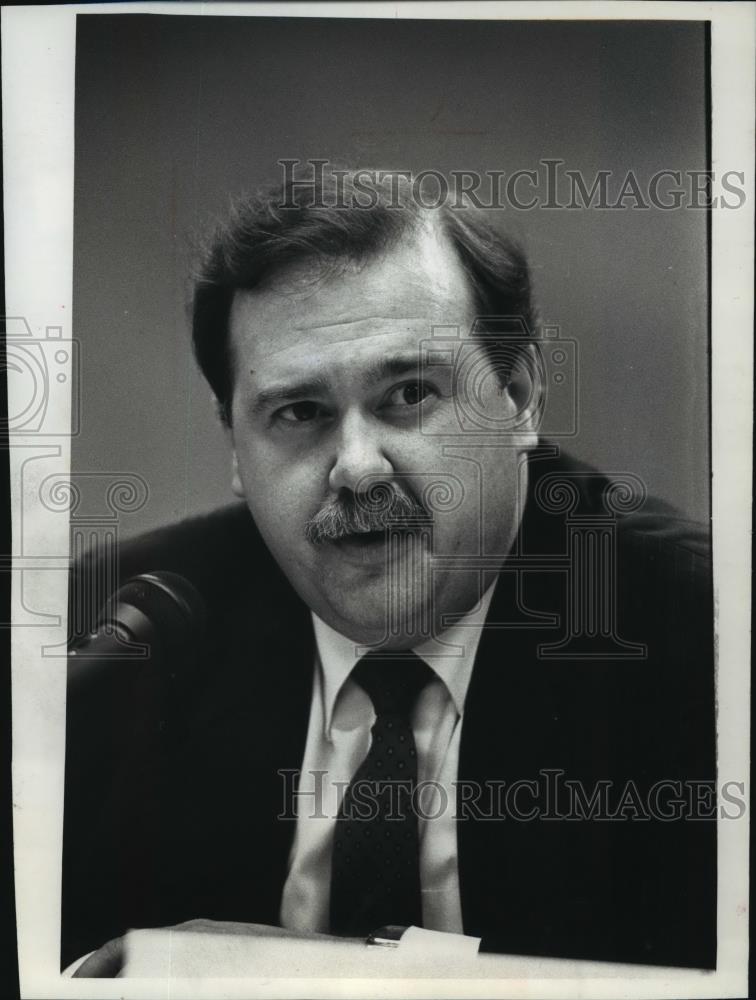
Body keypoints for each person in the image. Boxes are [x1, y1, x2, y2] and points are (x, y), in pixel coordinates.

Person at [62, 170, 716, 975]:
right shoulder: (122, 632)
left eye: (408, 393)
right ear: (235, 446)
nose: (358, 469)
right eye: (298, 413)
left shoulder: (702, 631)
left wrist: (301, 976)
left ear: (518, 396)